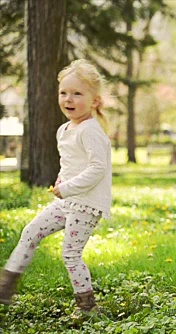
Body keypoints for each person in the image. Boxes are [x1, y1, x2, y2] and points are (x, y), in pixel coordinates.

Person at [0, 59, 112, 315]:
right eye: (64, 93)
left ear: (94, 101)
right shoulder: (64, 129)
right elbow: (71, 163)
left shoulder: (90, 131)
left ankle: (87, 306)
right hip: (67, 201)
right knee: (31, 232)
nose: (68, 99)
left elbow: (97, 169)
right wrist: (62, 182)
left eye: (77, 93)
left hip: (86, 204)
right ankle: (6, 285)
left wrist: (68, 187)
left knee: (70, 254)